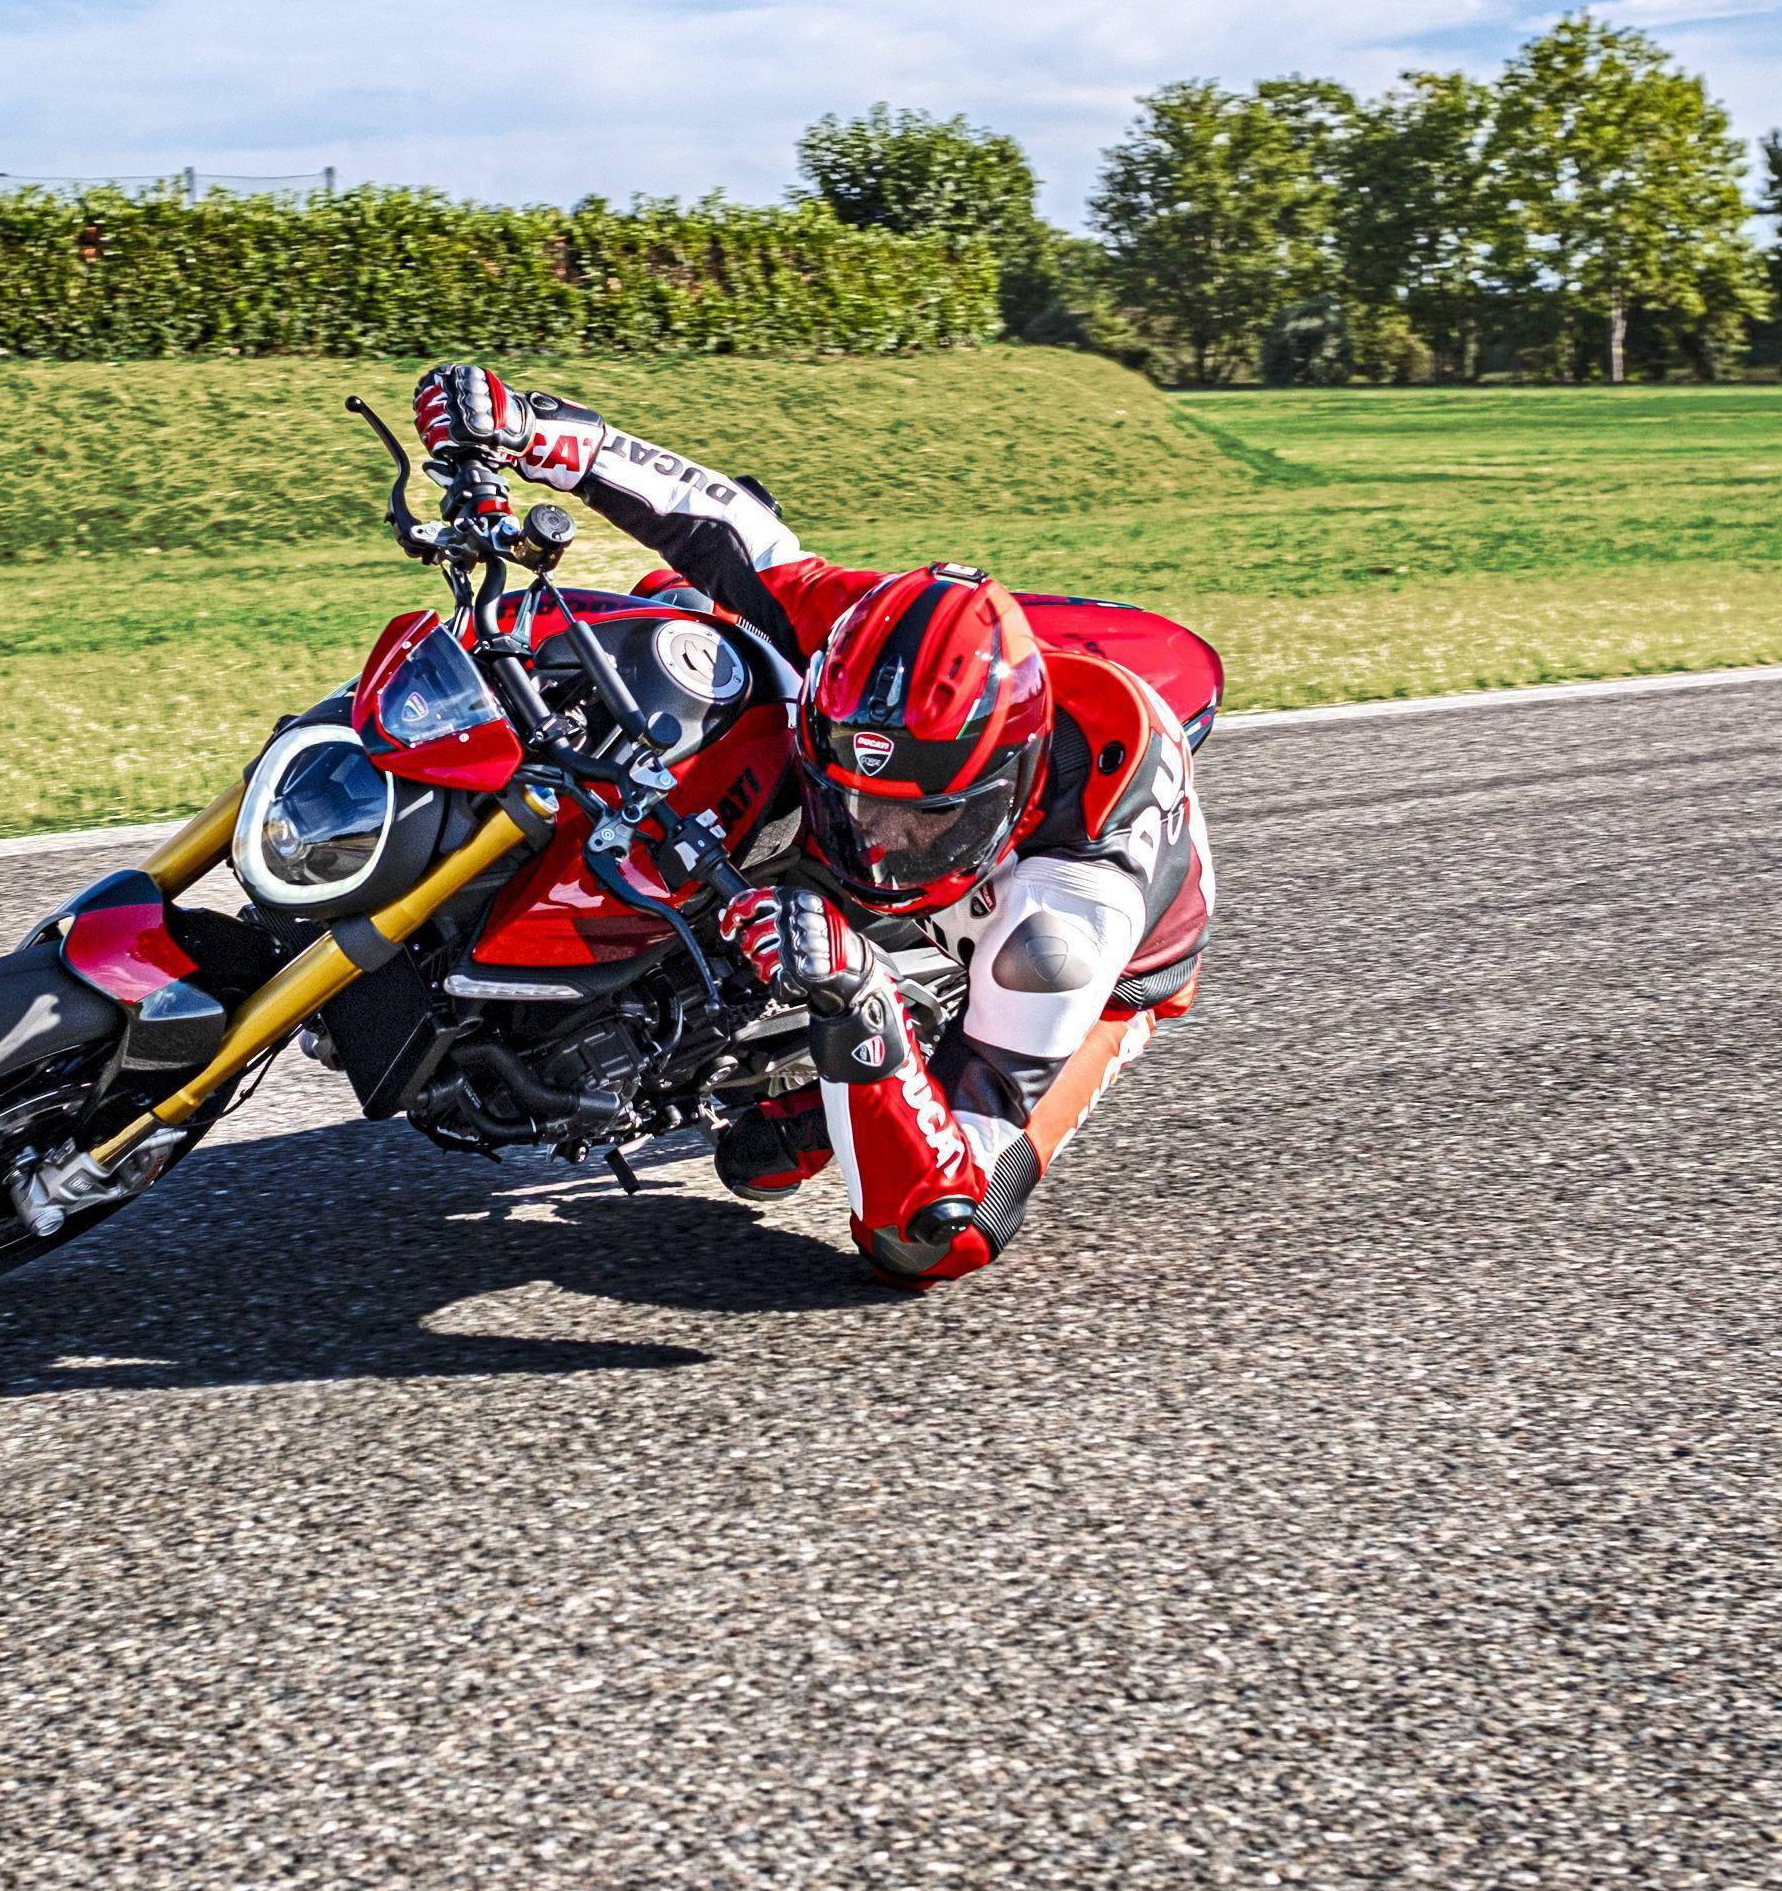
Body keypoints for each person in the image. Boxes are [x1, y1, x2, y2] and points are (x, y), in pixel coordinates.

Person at [412, 363, 1214, 1285]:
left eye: (913, 822)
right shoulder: (855, 644)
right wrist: (535, 429)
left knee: (939, 1228)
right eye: (854, 805)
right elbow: (727, 529)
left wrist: (855, 994)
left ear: (1004, 789)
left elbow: (933, 1226)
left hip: (1098, 967)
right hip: (952, 766)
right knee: (681, 609)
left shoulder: (1065, 926)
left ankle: (846, 1067)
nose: (874, 842)